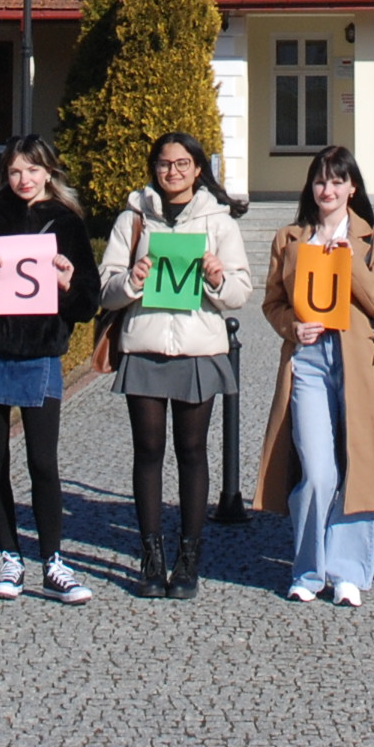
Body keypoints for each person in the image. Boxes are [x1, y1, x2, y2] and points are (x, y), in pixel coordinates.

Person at [97, 129, 255, 599]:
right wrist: (132, 280)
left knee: (192, 451)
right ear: (154, 168)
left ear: (198, 169)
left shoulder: (219, 222)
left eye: (183, 164)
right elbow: (104, 287)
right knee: (147, 451)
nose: (173, 172)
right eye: (165, 164)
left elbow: (241, 292)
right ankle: (151, 556)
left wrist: (217, 277)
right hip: (144, 345)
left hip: (197, 349)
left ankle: (189, 556)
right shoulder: (133, 219)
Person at [0, 135, 102, 604]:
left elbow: (88, 303)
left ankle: (53, 561)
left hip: (39, 352)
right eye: (15, 171)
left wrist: (69, 285)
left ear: (49, 172)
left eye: (32, 170)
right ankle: (9, 557)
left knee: (43, 462)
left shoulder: (67, 223)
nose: (23, 180)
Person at [254, 144, 374, 606]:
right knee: (317, 470)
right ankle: (307, 569)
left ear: (352, 187)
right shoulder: (289, 238)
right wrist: (291, 327)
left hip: (359, 362)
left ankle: (348, 572)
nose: (328, 190)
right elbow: (272, 303)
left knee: (360, 466)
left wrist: (350, 260)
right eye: (321, 181)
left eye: (338, 181)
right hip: (309, 361)